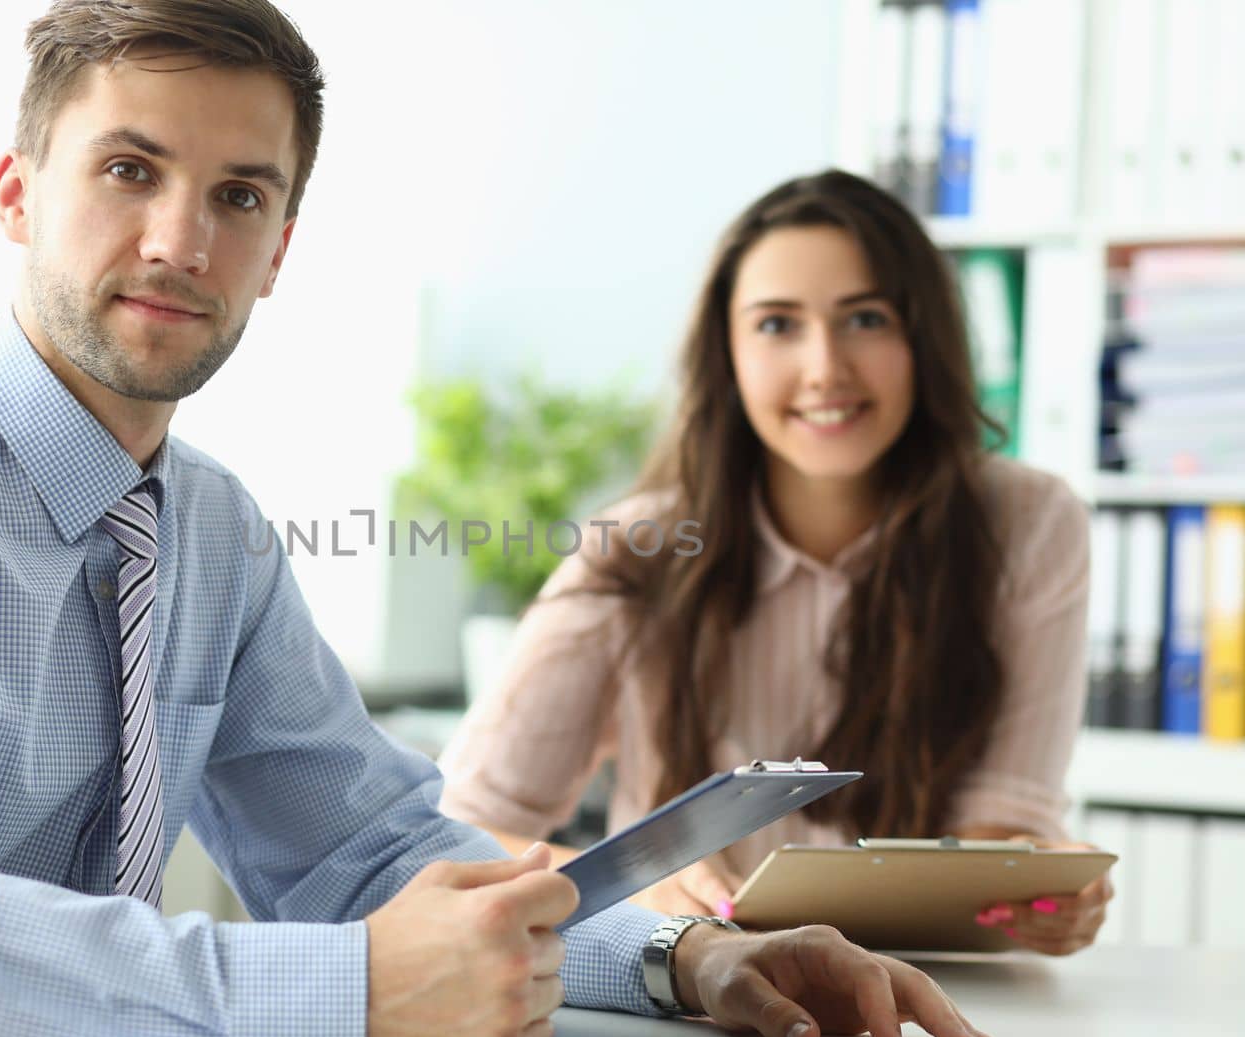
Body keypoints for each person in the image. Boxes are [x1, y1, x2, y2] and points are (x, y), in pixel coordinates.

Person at [0, 7, 996, 1037]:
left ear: (281, 248)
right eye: (131, 169)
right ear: (17, 192)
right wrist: (353, 990)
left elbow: (360, 849)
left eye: (240, 197)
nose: (183, 239)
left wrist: (677, 959)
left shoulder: (214, 532)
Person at [439, 169, 1113, 959]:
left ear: (924, 338)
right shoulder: (635, 549)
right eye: (777, 325)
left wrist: (1033, 885)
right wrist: (633, 888)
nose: (825, 367)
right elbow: (458, 828)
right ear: (726, 352)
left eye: (865, 318)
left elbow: (1005, 816)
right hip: (689, 992)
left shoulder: (1030, 525)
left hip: (927, 1001)